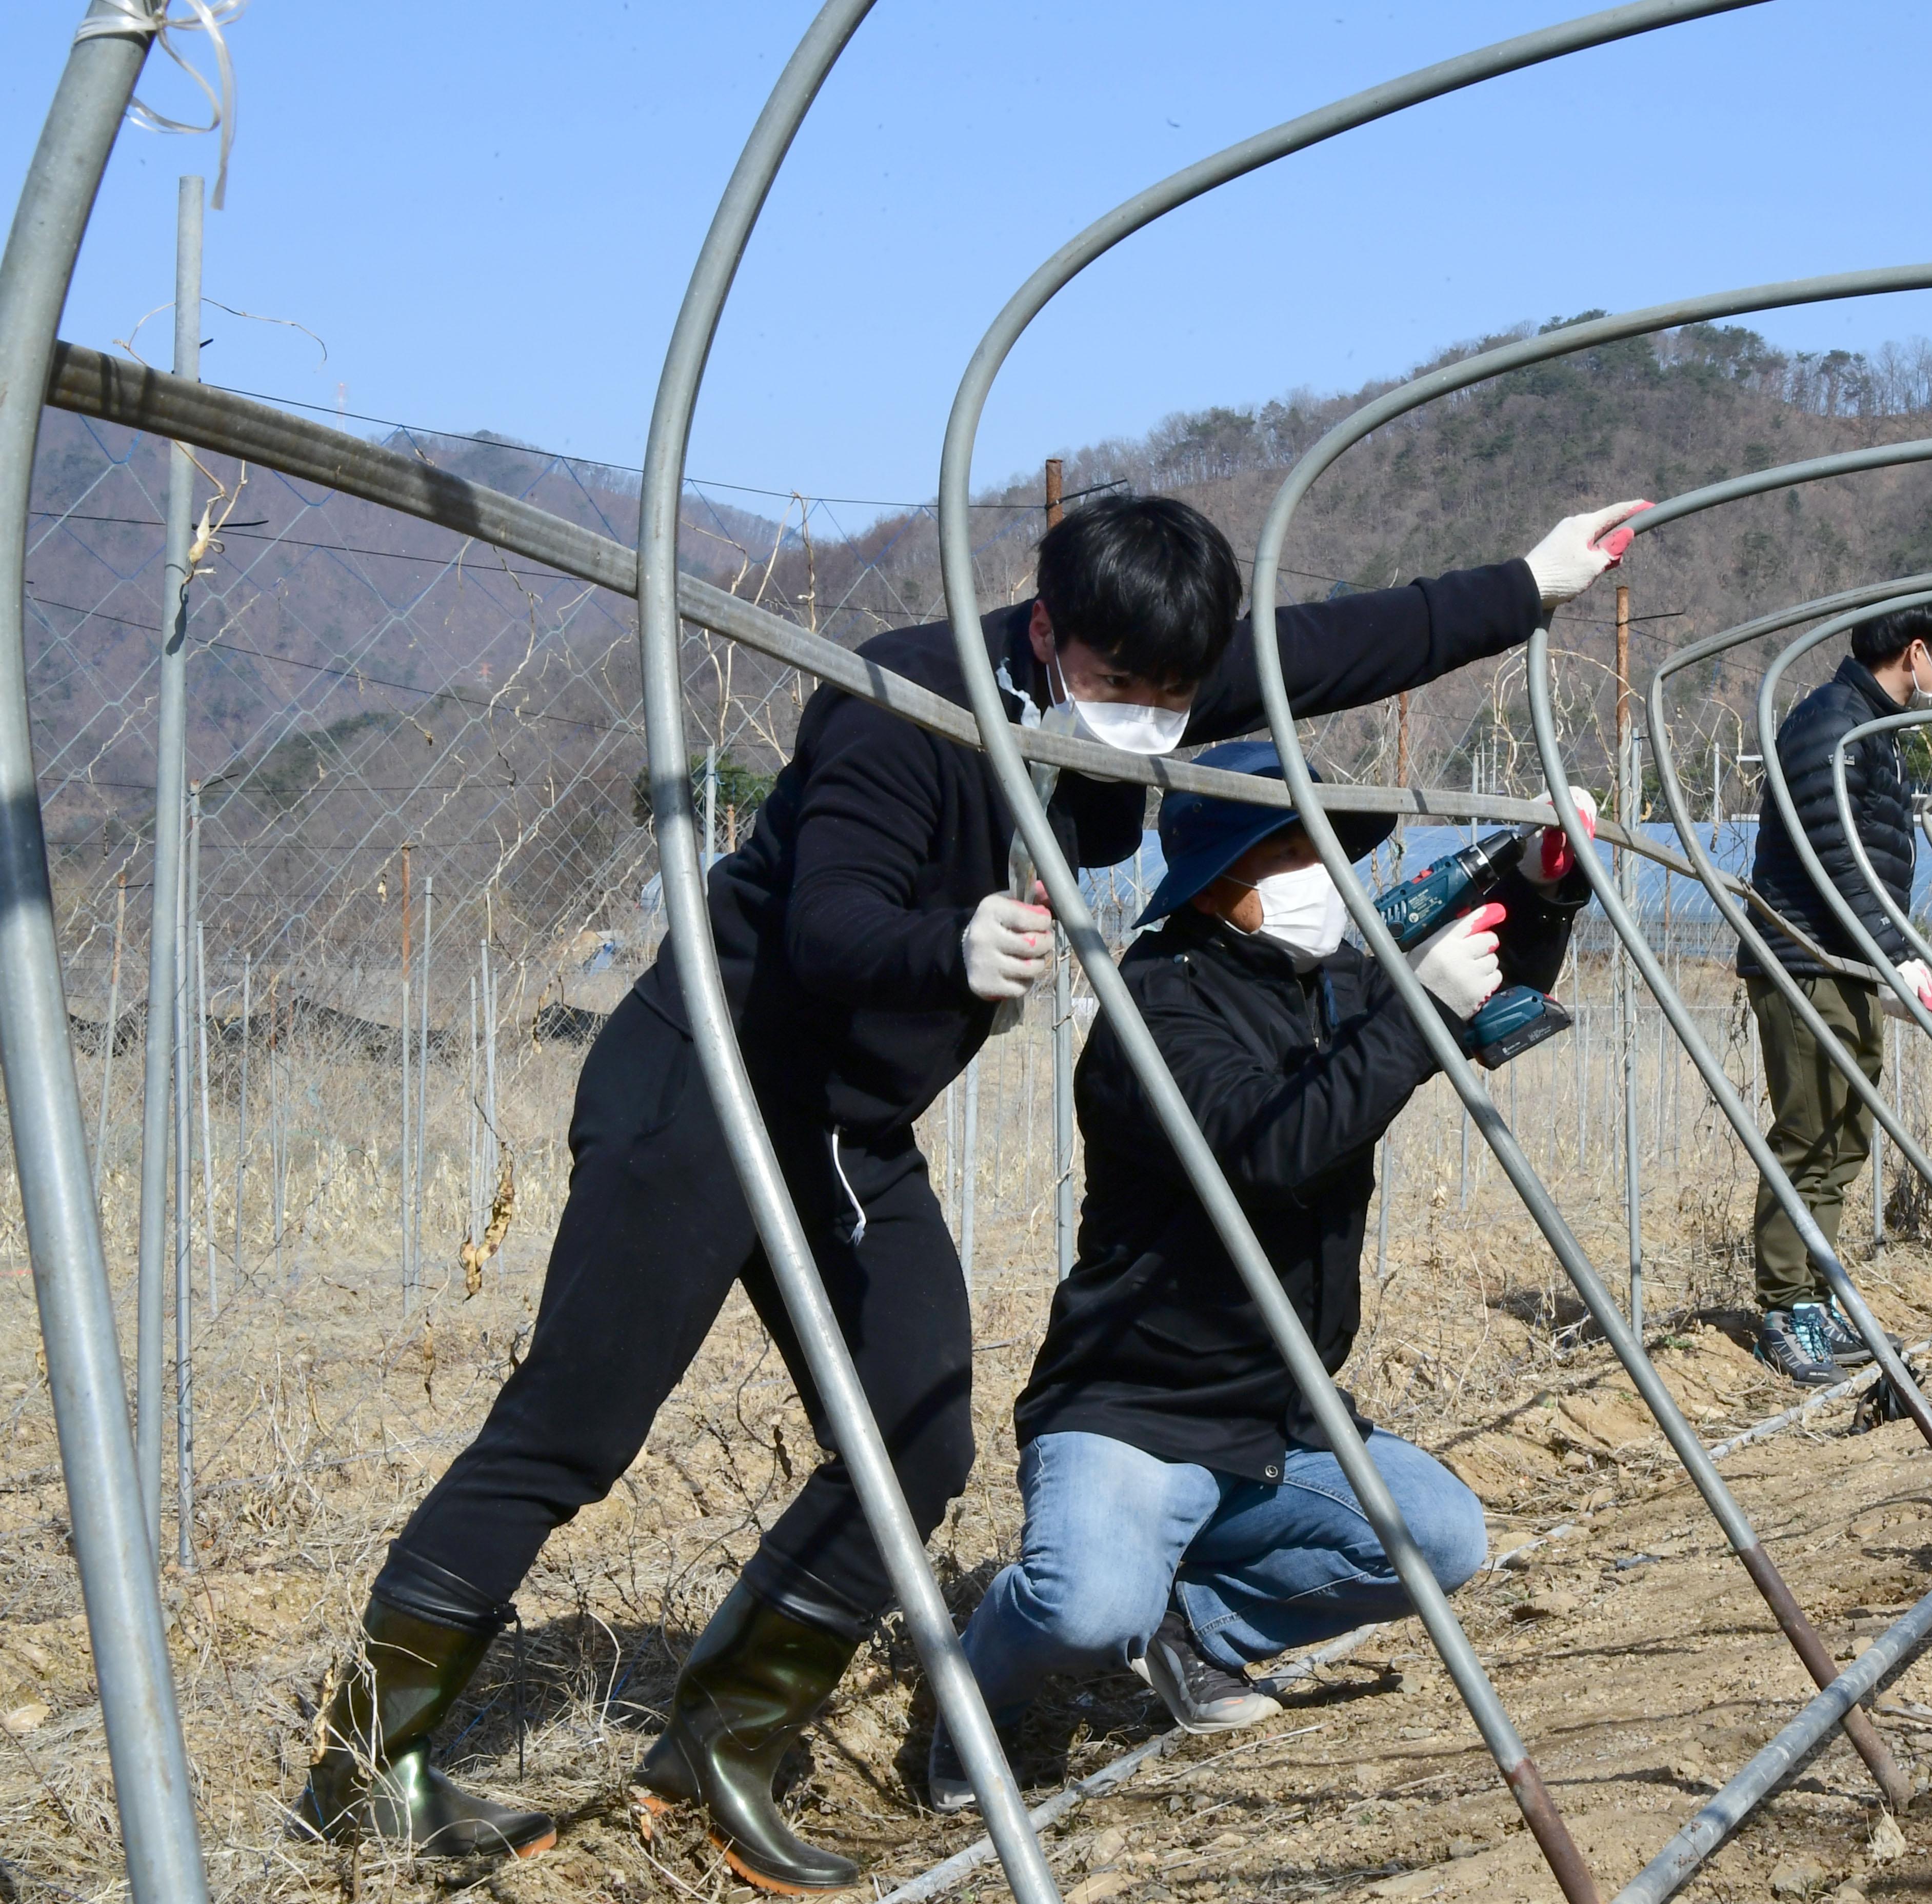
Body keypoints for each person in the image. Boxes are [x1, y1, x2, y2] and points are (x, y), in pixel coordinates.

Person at [294, 493, 1647, 1889]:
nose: (1140, 723)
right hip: (706, 1087)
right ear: (1051, 631)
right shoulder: (908, 706)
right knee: (575, 1428)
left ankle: (722, 1744)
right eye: (1117, 691)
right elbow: (827, 924)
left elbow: (1343, 645)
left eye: (1171, 696)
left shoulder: (1153, 671)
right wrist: (948, 945)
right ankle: (369, 1769)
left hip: (847, 1127)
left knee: (919, 1430)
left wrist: (1531, 584)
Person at [931, 744, 1594, 1808]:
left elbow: (1481, 985)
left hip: (1272, 1410)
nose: (1321, 872)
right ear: (1218, 876)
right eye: (1289, 845)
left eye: (1323, 846)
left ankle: (1194, 1620)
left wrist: (1540, 883)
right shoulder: (1154, 1005)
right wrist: (1416, 1015)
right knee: (1080, 1608)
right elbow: (1270, 1148)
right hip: (1138, 1402)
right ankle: (975, 1695)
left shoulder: (1317, 983)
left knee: (1438, 1536)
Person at [1737, 602, 1932, 1385]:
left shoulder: (1877, 735)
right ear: (1918, 650)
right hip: (1803, 956)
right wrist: (1893, 950)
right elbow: (1834, 853)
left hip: (1849, 962)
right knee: (1809, 1129)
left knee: (1846, 1135)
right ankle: (1781, 1305)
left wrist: (1893, 957)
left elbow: (1876, 862)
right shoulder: (1829, 724)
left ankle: (1814, 1297)